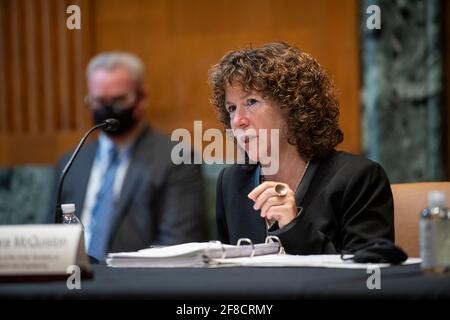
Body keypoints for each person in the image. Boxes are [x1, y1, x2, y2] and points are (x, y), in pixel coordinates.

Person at [208, 42, 394, 255]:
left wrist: (294, 226)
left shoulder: (359, 179)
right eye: (231, 108)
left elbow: (367, 276)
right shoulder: (231, 182)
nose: (238, 120)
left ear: (292, 108)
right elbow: (224, 271)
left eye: (251, 102)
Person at [54, 52, 208, 261]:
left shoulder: (178, 158)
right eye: (99, 101)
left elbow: (179, 244)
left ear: (142, 97)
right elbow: (50, 236)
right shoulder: (72, 162)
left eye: (119, 99)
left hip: (137, 284)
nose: (108, 109)